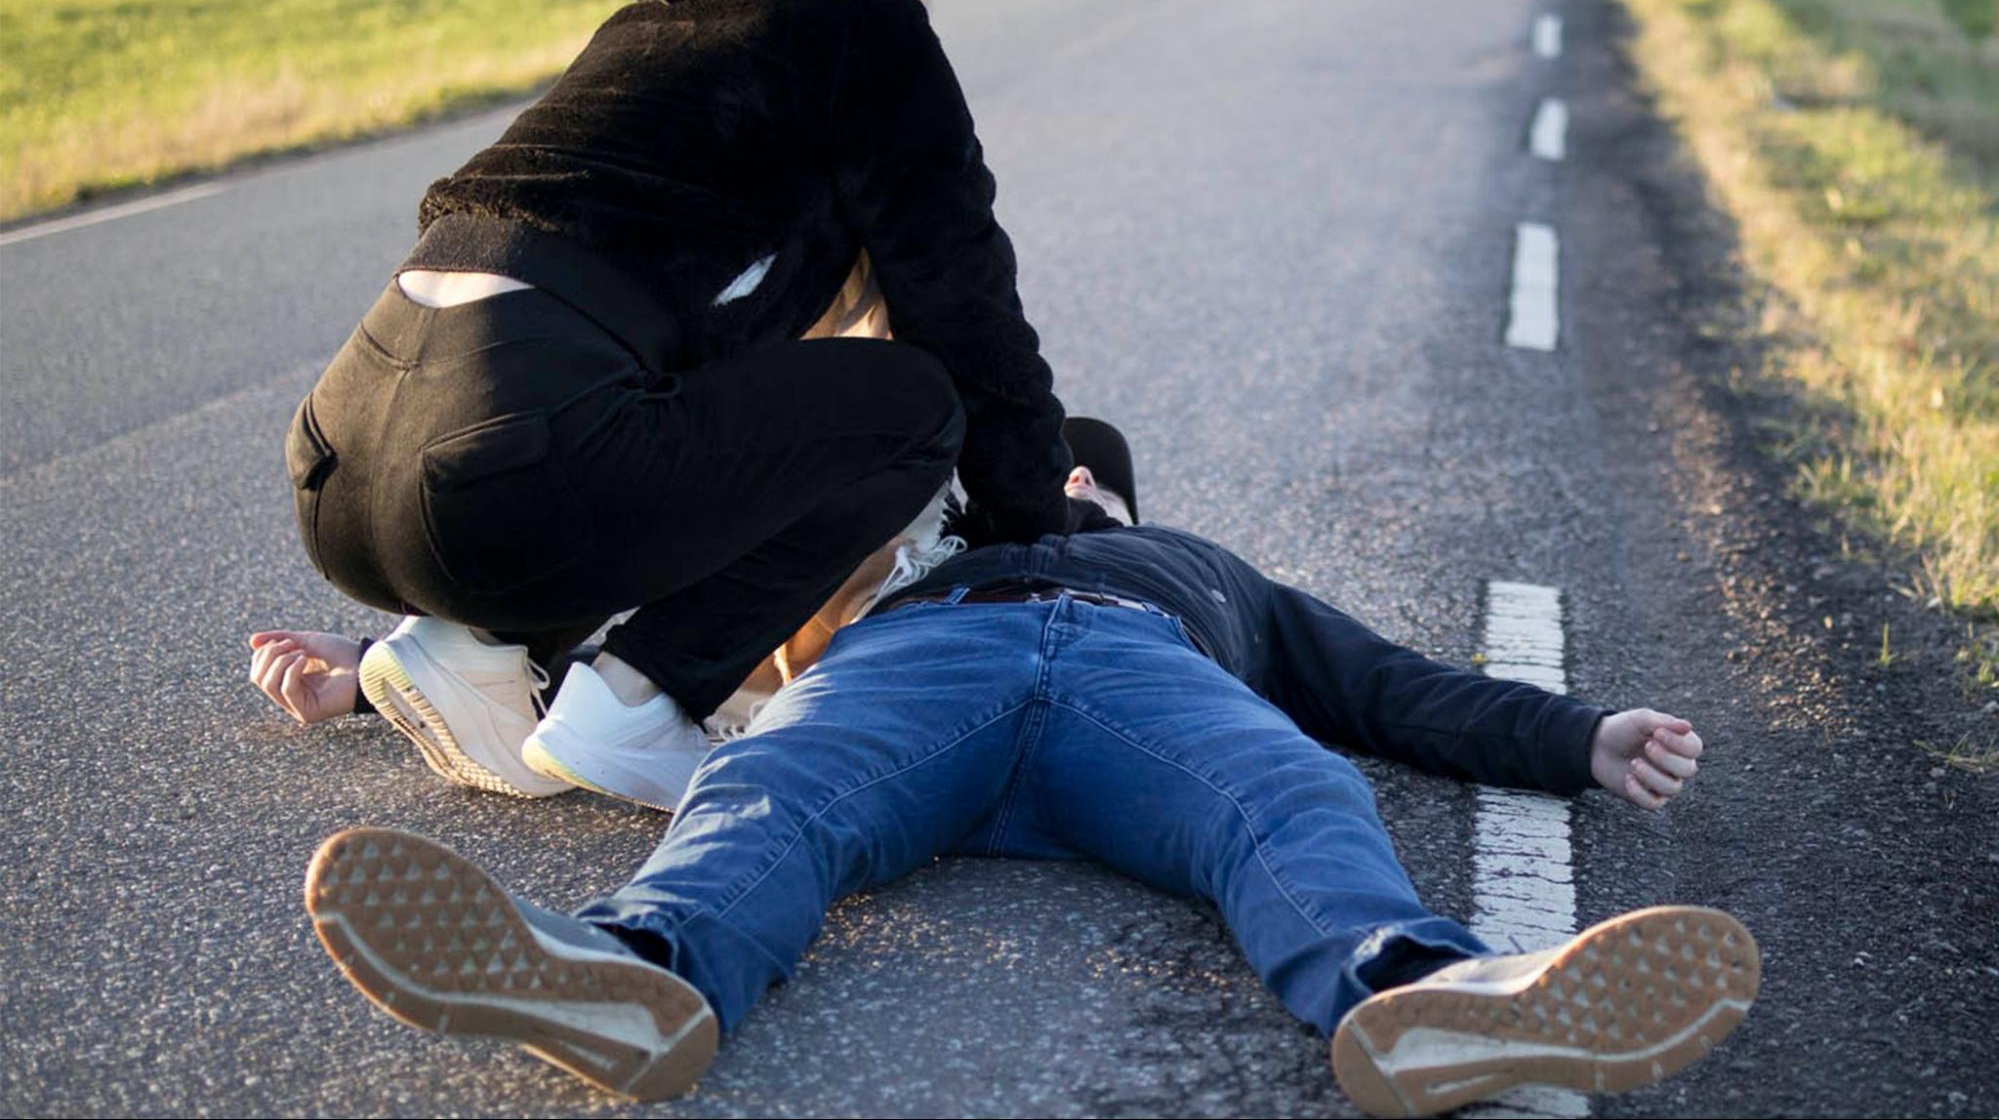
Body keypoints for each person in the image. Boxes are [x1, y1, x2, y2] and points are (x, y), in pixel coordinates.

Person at [300, 434, 1756, 1118]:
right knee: (770, 782)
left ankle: (1415, 991)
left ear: (1122, 496)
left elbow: (1386, 689)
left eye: (1082, 471)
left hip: (1140, 689)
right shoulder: (900, 565)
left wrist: (1578, 732)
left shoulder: (1198, 571)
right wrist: (375, 668)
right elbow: (642, 622)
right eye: (1032, 466)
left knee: (1295, 788)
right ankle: (638, 965)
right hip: (919, 670)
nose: (1057, 482)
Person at [279, 0, 1093, 813]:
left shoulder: (646, 23)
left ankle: (463, 642)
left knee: (654, 410)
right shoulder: (871, 24)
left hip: (342, 466)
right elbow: (970, 316)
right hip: (500, 470)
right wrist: (1039, 528)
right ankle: (638, 698)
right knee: (917, 404)